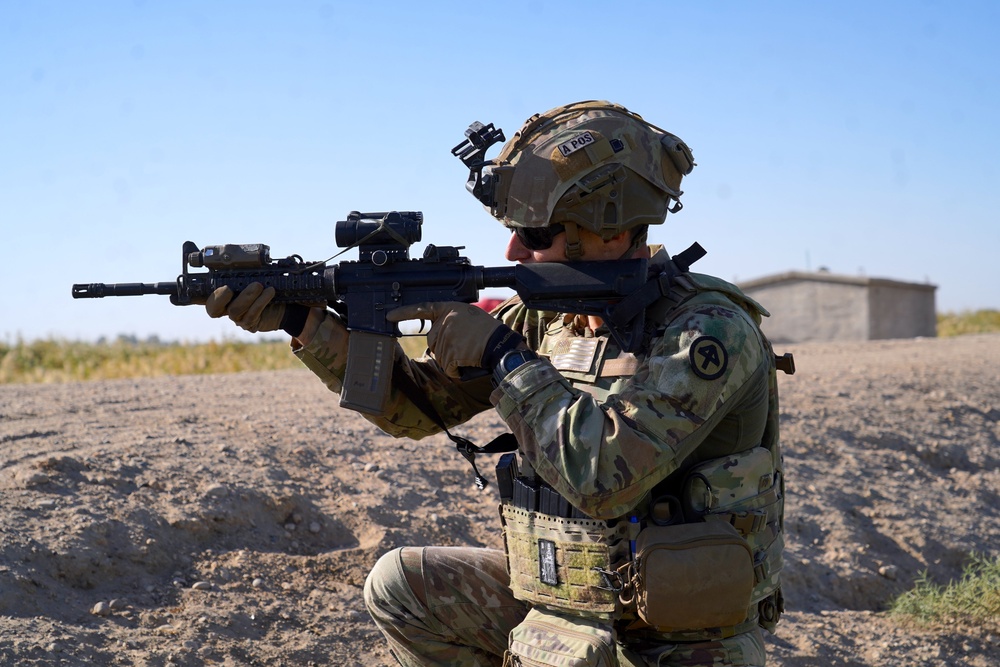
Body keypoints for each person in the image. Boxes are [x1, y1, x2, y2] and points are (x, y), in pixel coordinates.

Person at [205, 101, 788, 666]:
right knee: (402, 586)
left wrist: (503, 357)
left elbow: (605, 478)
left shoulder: (708, 331)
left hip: (677, 641)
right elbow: (416, 412)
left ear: (607, 229)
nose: (512, 250)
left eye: (534, 235)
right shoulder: (542, 316)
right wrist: (301, 321)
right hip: (565, 610)